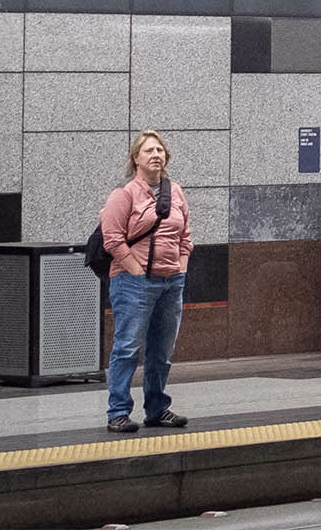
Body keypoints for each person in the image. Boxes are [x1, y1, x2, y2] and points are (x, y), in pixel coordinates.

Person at [99, 131, 192, 433]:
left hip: (170, 282)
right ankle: (118, 412)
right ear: (136, 158)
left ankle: (157, 408)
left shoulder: (175, 192)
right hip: (133, 283)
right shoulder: (124, 194)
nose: (156, 155)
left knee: (161, 350)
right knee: (127, 347)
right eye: (149, 150)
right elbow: (112, 239)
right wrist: (136, 270)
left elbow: (185, 238)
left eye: (160, 150)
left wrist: (180, 269)